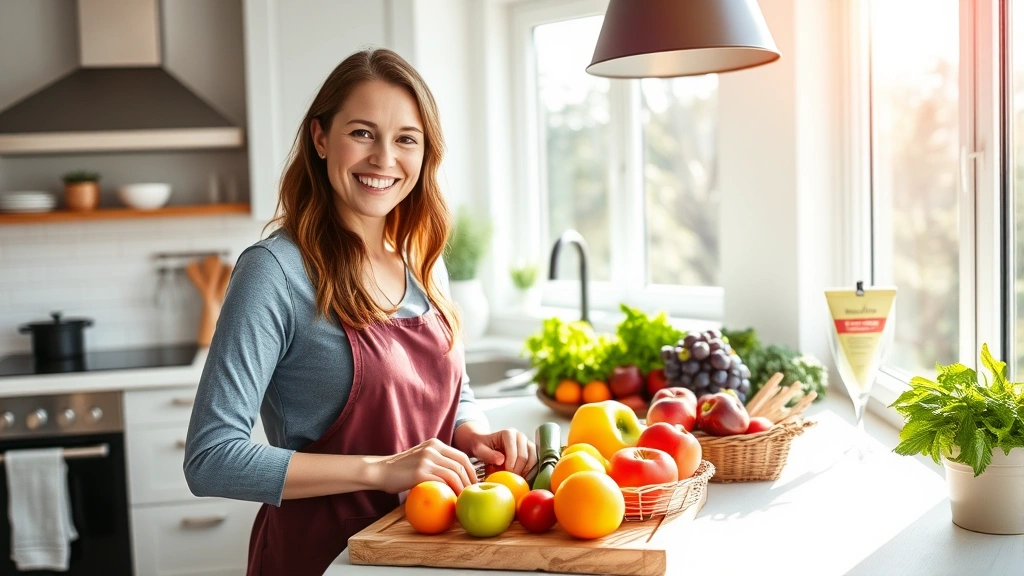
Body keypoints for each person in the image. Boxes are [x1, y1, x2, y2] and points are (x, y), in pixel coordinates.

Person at [183, 48, 537, 576]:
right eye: (363, 133)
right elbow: (211, 459)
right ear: (321, 138)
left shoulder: (423, 262)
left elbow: (451, 397)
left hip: (428, 550)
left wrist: (472, 434)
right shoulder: (274, 272)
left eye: (406, 139)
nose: (384, 159)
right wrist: (381, 471)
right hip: (324, 557)